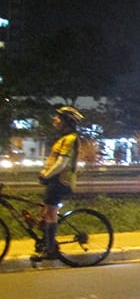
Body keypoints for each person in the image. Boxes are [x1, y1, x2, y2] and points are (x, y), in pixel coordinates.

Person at [33, 106, 84, 261]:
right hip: (55, 180)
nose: (54, 120)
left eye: (58, 118)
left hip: (62, 181)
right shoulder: (63, 139)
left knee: (50, 213)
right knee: (43, 214)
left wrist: (46, 175)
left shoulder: (70, 139)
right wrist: (45, 174)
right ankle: (47, 242)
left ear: (66, 121)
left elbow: (62, 163)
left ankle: (51, 250)